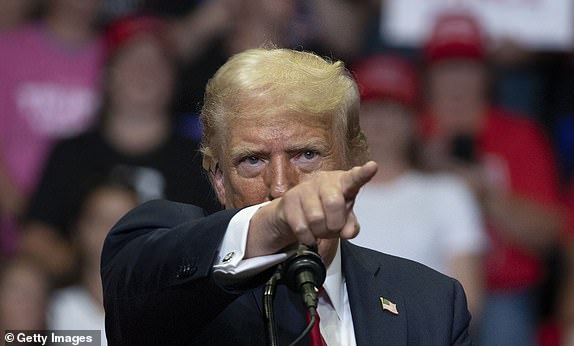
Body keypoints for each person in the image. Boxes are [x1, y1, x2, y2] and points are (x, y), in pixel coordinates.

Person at [101, 47, 472, 345]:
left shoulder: (432, 303)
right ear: (218, 179)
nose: (280, 186)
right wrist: (272, 223)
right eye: (252, 160)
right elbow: (133, 287)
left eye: (307, 154)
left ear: (354, 160)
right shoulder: (175, 284)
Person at [23, 15, 220, 282]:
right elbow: (36, 237)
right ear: (107, 75)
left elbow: (218, 240)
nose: (144, 72)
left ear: (173, 79)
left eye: (156, 64)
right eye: (132, 61)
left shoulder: (199, 156)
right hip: (82, 306)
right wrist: (90, 271)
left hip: (173, 300)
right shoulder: (72, 152)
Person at [419, 11, 563, 346]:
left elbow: (549, 233)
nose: (456, 79)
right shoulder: (407, 134)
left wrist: (485, 196)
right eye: (445, 66)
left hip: (503, 291)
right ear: (427, 75)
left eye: (467, 66)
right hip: (420, 285)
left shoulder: (519, 135)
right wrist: (419, 166)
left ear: (487, 74)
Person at [350, 54, 486, 320]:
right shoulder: (328, 194)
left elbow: (470, 301)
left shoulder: (448, 193)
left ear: (414, 121)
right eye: (371, 108)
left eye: (393, 108)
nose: (381, 121)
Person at [0, 0, 103, 255]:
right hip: (14, 226)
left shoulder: (114, 56)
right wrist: (32, 218)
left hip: (86, 234)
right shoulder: (9, 50)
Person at [48, 179, 139, 346]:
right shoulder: (50, 310)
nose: (112, 230)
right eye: (101, 220)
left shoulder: (159, 310)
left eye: (124, 221)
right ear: (79, 228)